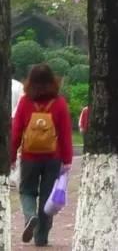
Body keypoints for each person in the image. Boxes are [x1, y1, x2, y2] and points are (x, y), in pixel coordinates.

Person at [11, 63, 73, 247]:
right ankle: (41, 238)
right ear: (51, 80)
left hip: (30, 157)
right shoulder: (60, 103)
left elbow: (16, 131)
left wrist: (12, 155)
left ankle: (31, 216)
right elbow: (65, 133)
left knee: (27, 191)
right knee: (48, 197)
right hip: (53, 157)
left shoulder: (25, 102)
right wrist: (68, 160)